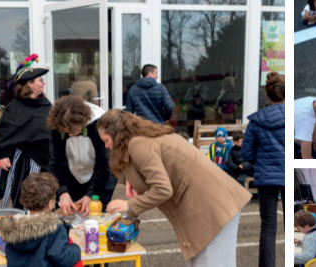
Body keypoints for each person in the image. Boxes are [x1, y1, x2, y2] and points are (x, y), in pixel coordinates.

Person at [97, 109, 251, 265]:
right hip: (206, 206)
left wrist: (128, 205)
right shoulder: (142, 139)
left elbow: (162, 189)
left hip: (213, 209)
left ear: (118, 135)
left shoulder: (137, 144)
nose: (107, 146)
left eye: (107, 140)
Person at [0, 58, 52, 209]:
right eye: (40, 80)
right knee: (24, 194)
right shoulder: (15, 107)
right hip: (23, 160)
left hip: (45, 160)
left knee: (44, 194)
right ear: (29, 84)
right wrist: (2, 155)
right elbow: (3, 132)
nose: (43, 83)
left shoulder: (46, 104)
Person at [241, 72, 285, 267]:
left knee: (268, 227)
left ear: (267, 95)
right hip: (288, 174)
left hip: (266, 176)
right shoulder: (296, 116)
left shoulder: (257, 121)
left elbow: (247, 154)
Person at [47, 96, 117, 217]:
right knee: (73, 215)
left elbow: (104, 165)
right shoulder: (59, 124)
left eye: (72, 130)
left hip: (101, 176)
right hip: (72, 175)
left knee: (96, 214)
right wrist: (62, 192)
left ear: (82, 122)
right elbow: (56, 163)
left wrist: (91, 194)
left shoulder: (100, 124)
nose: (69, 135)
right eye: (65, 131)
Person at [0, 172, 82, 267]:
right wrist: (75, 248)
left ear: (25, 203)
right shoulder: (54, 229)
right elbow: (65, 259)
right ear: (50, 204)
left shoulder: (11, 229)